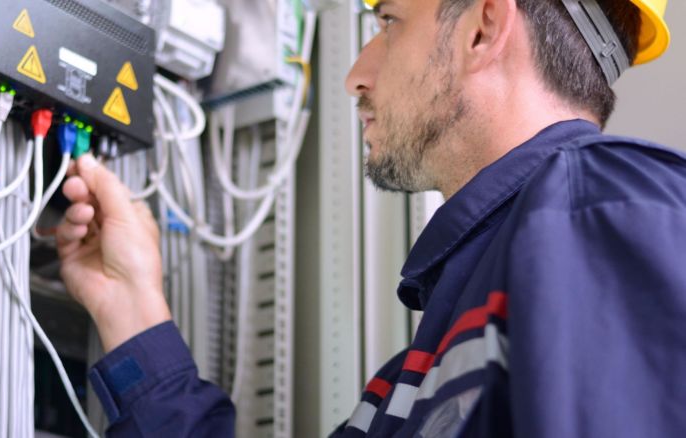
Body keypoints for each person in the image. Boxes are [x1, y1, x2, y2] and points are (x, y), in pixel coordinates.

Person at [56, 0, 686, 436]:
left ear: (483, 27)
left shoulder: (611, 205)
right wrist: (131, 308)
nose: (356, 76)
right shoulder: (417, 370)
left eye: (389, 21)